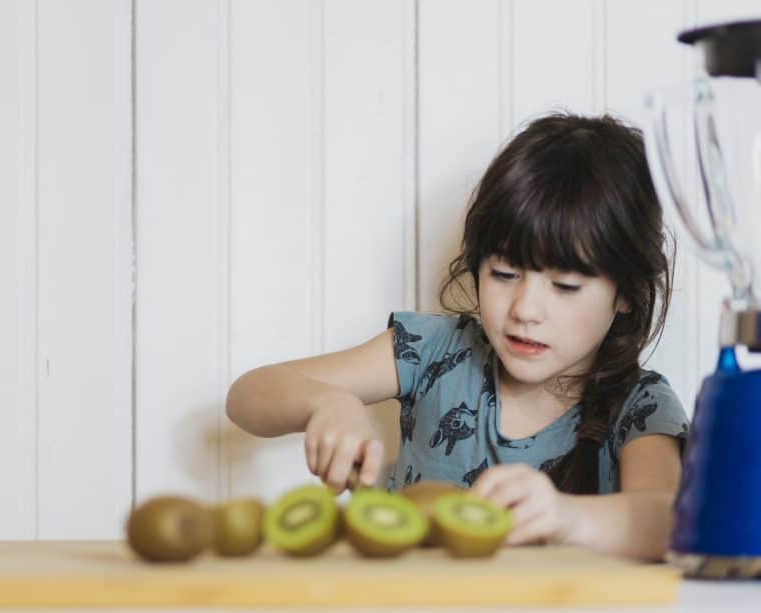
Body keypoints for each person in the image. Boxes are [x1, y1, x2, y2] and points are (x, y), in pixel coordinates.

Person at [225, 112, 689, 562]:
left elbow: (667, 520)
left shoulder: (640, 406)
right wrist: (326, 402)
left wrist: (566, 517)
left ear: (626, 294)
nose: (525, 310)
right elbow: (246, 396)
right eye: (504, 274)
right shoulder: (434, 352)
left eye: (565, 286)